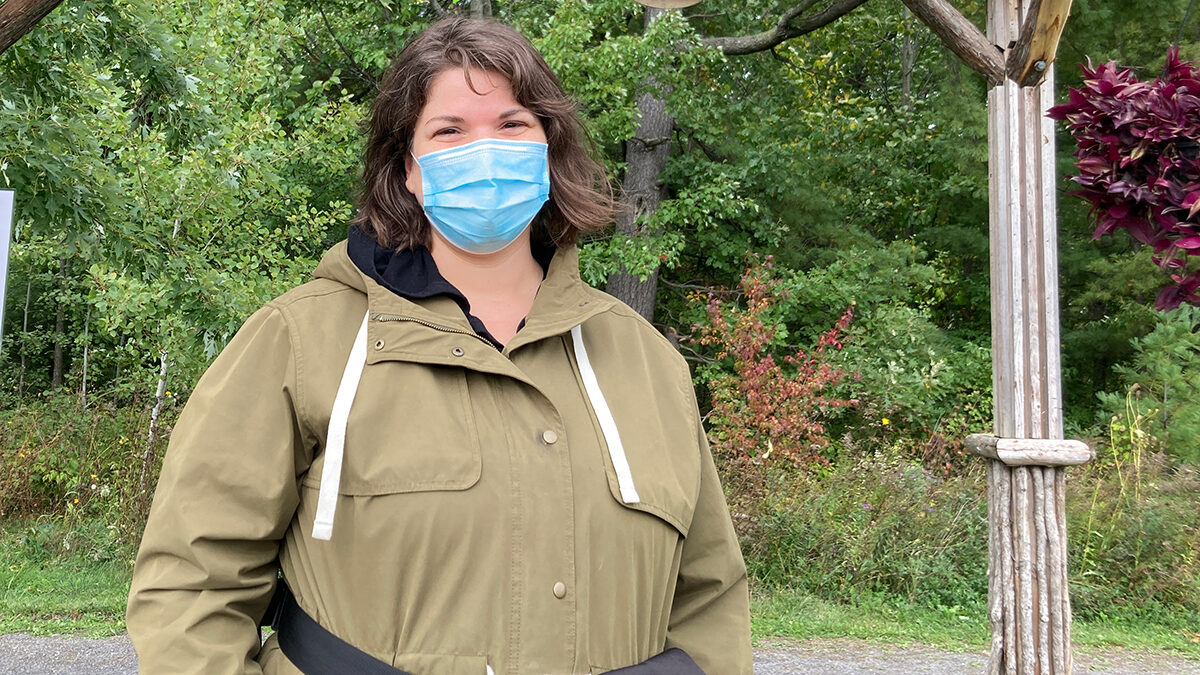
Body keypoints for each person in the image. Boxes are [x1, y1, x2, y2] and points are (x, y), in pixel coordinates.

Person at [126, 17, 751, 675]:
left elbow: (711, 594)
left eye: (513, 125)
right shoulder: (300, 341)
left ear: (548, 150)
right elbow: (192, 585)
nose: (485, 151)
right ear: (411, 171)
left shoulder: (646, 360)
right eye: (450, 130)